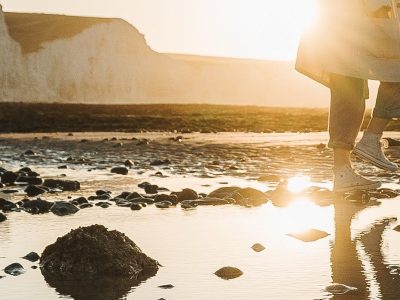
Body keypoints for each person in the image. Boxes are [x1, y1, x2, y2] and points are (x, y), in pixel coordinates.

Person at [296, 0, 400, 192]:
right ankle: (367, 144)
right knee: (359, 86)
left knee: (349, 93)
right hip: (355, 24)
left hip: (342, 27)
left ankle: (343, 171)